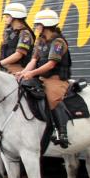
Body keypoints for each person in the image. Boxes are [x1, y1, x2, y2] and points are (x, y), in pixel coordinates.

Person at [17, 8, 72, 148]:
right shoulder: (40, 41)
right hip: (41, 77)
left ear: (45, 25)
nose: (36, 27)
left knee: (52, 99)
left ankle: (62, 132)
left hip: (56, 79)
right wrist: (23, 73)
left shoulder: (58, 42)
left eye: (38, 25)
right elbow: (33, 60)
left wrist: (33, 73)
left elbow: (51, 64)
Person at [0, 3, 34, 74]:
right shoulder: (9, 32)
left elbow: (18, 55)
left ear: (15, 17)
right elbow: (0, 51)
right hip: (5, 69)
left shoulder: (24, 33)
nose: (5, 19)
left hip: (19, 70)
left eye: (7, 17)